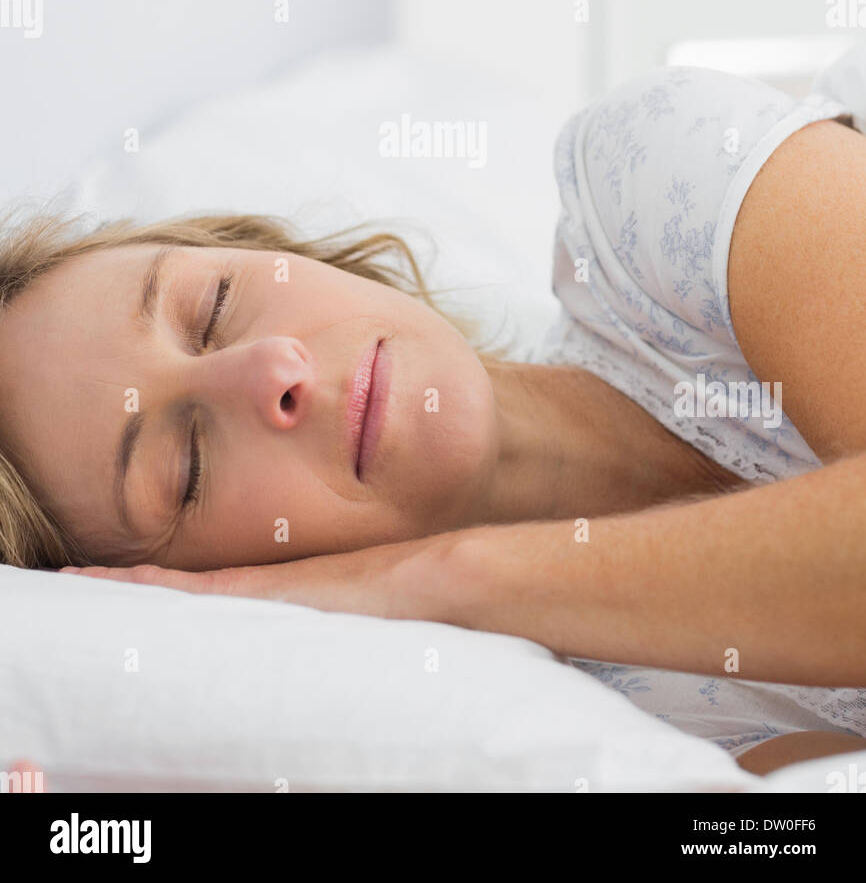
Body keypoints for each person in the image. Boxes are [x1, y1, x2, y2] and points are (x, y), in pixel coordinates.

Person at [4, 51, 866, 779]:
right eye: (185, 466)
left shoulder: (657, 183)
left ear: (280, 255)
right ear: (199, 591)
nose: (271, 370)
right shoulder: (599, 724)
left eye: (215, 306)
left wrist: (447, 573)